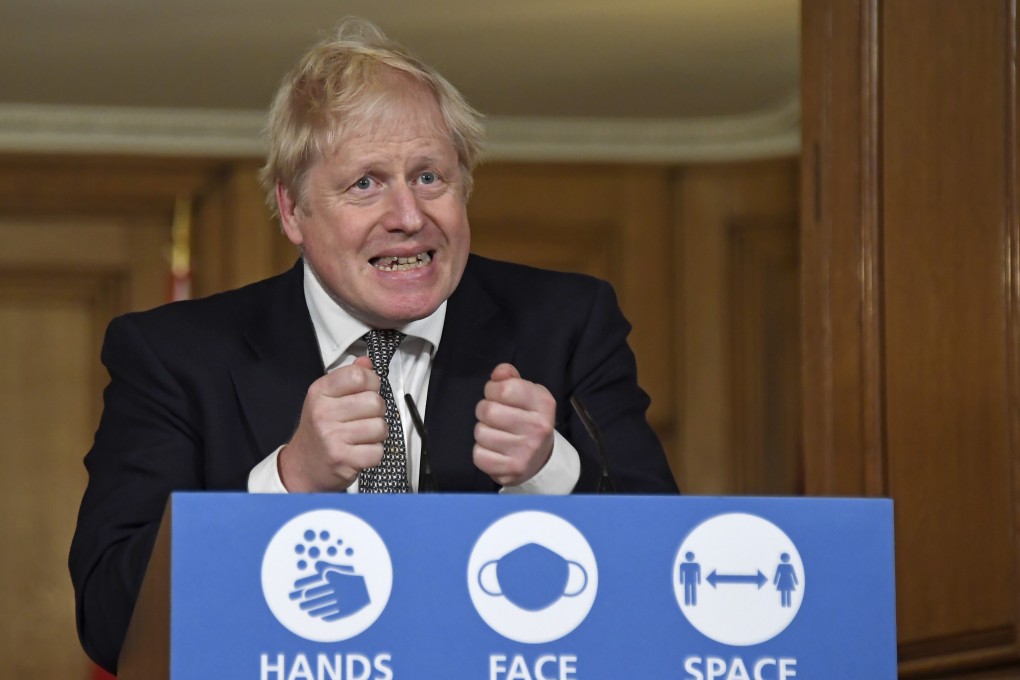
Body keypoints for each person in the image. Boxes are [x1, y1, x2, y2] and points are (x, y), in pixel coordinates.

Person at [69, 16, 678, 673]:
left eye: (429, 177)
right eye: (366, 183)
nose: (409, 217)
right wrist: (290, 482)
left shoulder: (566, 323)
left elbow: (669, 584)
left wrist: (551, 471)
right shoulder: (174, 355)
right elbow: (111, 619)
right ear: (293, 210)